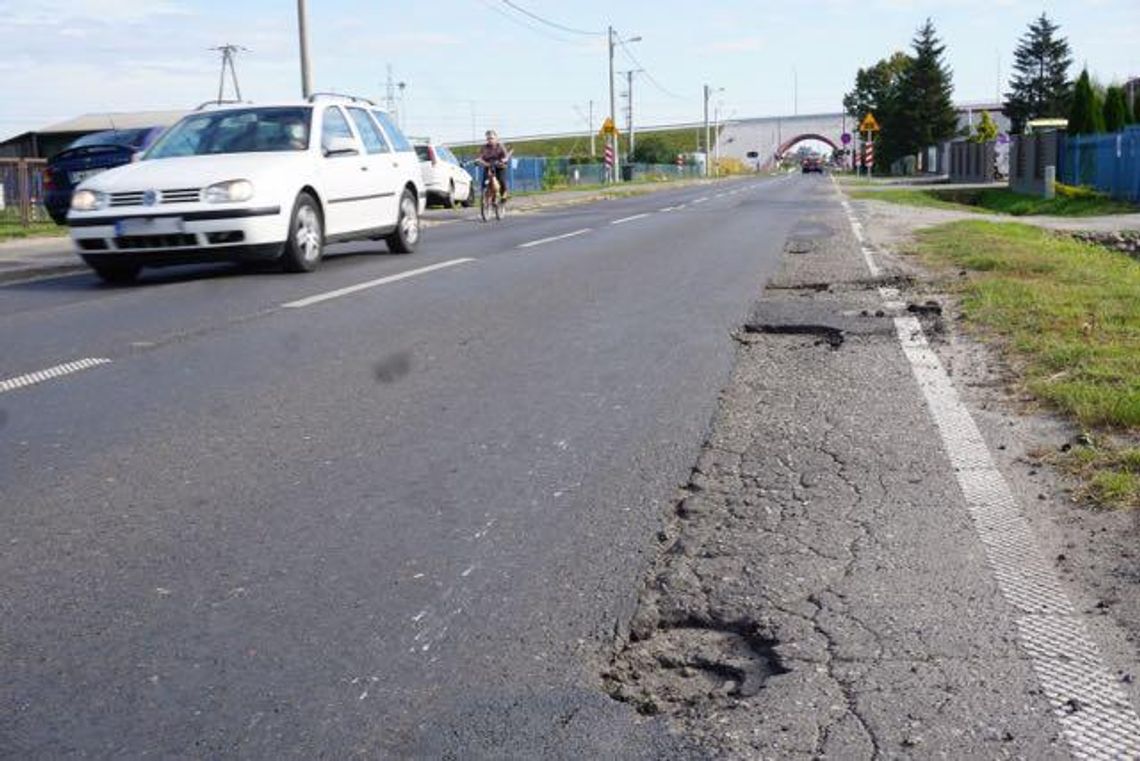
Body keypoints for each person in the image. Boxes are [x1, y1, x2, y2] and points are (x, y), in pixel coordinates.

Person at [477, 130, 511, 200]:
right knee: (484, 181)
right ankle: (485, 196)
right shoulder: (484, 147)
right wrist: (482, 162)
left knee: (501, 180)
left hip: (499, 166)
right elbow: (480, 157)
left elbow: (506, 157)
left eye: (491, 138)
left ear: (496, 138)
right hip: (488, 166)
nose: (489, 140)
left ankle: (504, 195)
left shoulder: (500, 146)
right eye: (488, 138)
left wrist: (503, 160)